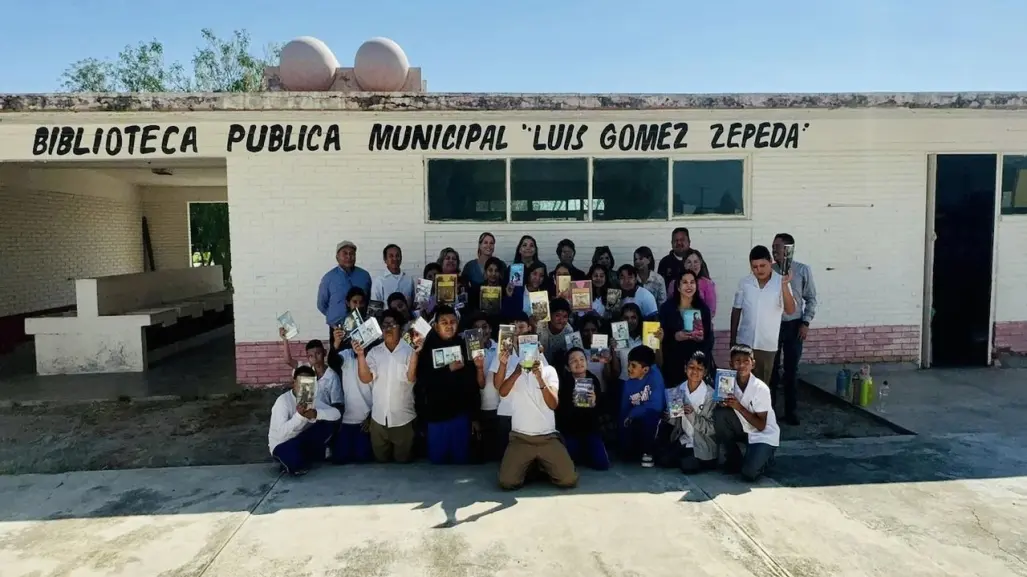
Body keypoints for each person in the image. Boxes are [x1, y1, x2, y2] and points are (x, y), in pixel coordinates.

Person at [496, 335, 578, 490]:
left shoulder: (549, 371)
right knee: (507, 482)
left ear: (540, 349)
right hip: (521, 438)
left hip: (547, 437)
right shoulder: (515, 371)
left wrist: (540, 379)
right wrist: (516, 373)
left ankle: (540, 465)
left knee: (568, 479)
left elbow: (553, 404)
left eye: (533, 345)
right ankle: (533, 466)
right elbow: (502, 392)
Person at [410, 305, 481, 465]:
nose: (449, 326)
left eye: (452, 322)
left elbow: (472, 385)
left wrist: (475, 416)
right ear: (435, 326)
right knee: (437, 462)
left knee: (460, 461)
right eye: (444, 322)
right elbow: (422, 380)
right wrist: (448, 369)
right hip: (436, 416)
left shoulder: (465, 346)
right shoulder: (425, 347)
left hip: (460, 416)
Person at [354, 309, 417, 463]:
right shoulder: (375, 352)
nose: (387, 328)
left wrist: (416, 354)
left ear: (401, 329)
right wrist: (361, 355)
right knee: (381, 465)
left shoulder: (410, 351)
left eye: (392, 325)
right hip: (379, 420)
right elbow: (365, 378)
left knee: (403, 465)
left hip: (403, 419)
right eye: (384, 325)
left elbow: (411, 378)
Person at [730, 245, 797, 385]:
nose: (758, 270)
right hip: (745, 342)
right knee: (741, 384)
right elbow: (736, 309)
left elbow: (791, 310)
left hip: (767, 345)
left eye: (762, 265)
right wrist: (733, 338)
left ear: (770, 262)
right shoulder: (745, 283)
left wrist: (784, 285)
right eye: (754, 267)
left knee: (761, 386)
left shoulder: (781, 281)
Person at [771, 233, 818, 426]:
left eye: (778, 247)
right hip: (773, 324)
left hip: (794, 325)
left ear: (788, 249)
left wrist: (805, 322)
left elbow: (811, 299)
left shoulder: (802, 270)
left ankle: (791, 411)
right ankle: (770, 412)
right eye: (773, 247)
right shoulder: (769, 270)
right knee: (772, 371)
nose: (774, 250)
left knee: (791, 370)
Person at [714, 345, 779, 482]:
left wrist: (738, 407)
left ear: (753, 364)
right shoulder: (727, 383)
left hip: (763, 433)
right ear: (731, 364)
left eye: (746, 361)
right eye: (737, 361)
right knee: (719, 414)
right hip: (744, 427)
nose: (741, 365)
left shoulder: (761, 389)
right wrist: (723, 404)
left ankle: (766, 456)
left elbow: (761, 425)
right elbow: (723, 410)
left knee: (749, 474)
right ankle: (733, 457)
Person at [487, 311, 545, 457]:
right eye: (513, 327)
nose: (518, 331)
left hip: (530, 411)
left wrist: (539, 354)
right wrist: (502, 364)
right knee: (507, 457)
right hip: (508, 412)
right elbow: (498, 386)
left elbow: (545, 378)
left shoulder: (536, 349)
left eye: (521, 327)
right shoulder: (502, 352)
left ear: (529, 328)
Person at [268, 365, 342, 476]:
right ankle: (297, 459)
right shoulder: (283, 401)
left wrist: (316, 414)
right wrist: (299, 417)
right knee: (296, 463)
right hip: (282, 443)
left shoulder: (312, 399)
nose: (304, 386)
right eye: (301, 382)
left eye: (308, 383)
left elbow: (336, 414)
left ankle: (311, 455)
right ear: (294, 383)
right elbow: (281, 434)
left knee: (327, 423)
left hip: (303, 439)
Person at [656, 351, 718, 473]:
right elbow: (675, 422)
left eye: (699, 369)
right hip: (684, 438)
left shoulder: (710, 395)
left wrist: (692, 416)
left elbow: (712, 428)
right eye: (691, 367)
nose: (694, 371)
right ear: (685, 368)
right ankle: (683, 455)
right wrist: (669, 416)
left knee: (688, 466)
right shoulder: (678, 390)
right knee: (663, 460)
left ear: (705, 372)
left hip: (703, 442)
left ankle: (697, 459)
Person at [557, 347, 610, 471]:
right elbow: (561, 412)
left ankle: (589, 450)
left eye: (581, 359)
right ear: (568, 367)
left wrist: (594, 402)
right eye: (573, 361)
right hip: (571, 430)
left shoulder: (593, 380)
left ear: (587, 362)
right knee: (569, 461)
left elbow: (600, 410)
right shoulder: (565, 383)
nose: (579, 363)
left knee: (602, 464)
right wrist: (572, 403)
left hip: (590, 429)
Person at [658, 270, 713, 386]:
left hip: (695, 364)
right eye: (685, 282)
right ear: (678, 286)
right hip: (673, 363)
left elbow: (709, 338)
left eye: (692, 282)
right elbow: (661, 334)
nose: (689, 286)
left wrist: (701, 339)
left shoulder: (703, 309)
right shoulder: (667, 309)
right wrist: (675, 336)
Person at [327, 328, 373, 464]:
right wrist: (336, 343)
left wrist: (372, 417)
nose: (358, 342)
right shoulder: (345, 355)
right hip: (347, 420)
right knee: (340, 458)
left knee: (362, 458)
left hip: (366, 420)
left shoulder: (374, 357)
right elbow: (332, 362)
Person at [619, 346, 665, 467]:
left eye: (633, 366)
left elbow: (656, 406)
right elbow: (624, 410)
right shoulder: (628, 384)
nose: (628, 368)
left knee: (650, 416)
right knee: (626, 454)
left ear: (645, 370)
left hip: (654, 420)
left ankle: (648, 452)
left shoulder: (655, 377)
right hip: (634, 421)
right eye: (628, 364)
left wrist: (632, 413)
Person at [278, 331, 344, 416]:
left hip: (322, 416)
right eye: (311, 356)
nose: (315, 358)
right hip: (305, 414)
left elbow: (337, 404)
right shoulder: (306, 368)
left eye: (318, 353)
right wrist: (285, 339)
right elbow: (288, 360)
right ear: (307, 357)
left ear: (325, 352)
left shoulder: (332, 376)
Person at [317, 240, 372, 340]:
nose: (348, 256)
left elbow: (368, 300)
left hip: (361, 327)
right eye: (345, 253)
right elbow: (321, 304)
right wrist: (335, 316)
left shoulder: (364, 276)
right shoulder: (328, 278)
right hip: (337, 330)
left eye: (352, 254)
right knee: (338, 355)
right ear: (337, 257)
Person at [467, 312, 502, 462]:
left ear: (491, 329)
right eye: (476, 328)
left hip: (501, 408)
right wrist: (479, 368)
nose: (481, 331)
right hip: (481, 408)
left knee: (500, 451)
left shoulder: (501, 348)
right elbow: (476, 385)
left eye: (484, 327)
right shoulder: (469, 352)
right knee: (483, 453)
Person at [536, 298, 574, 367]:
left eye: (565, 316)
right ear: (550, 315)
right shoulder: (540, 326)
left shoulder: (569, 331)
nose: (561, 320)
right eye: (557, 315)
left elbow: (572, 353)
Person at [682, 249, 717, 318]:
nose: (692, 265)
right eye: (689, 262)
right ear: (684, 264)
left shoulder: (707, 284)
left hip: (702, 325)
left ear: (700, 263)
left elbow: (711, 311)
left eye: (696, 262)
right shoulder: (674, 283)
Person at [657, 227, 691, 294]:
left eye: (682, 240)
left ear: (689, 242)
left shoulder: (696, 259)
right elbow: (660, 288)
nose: (678, 243)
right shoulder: (664, 262)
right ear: (671, 243)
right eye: (676, 240)